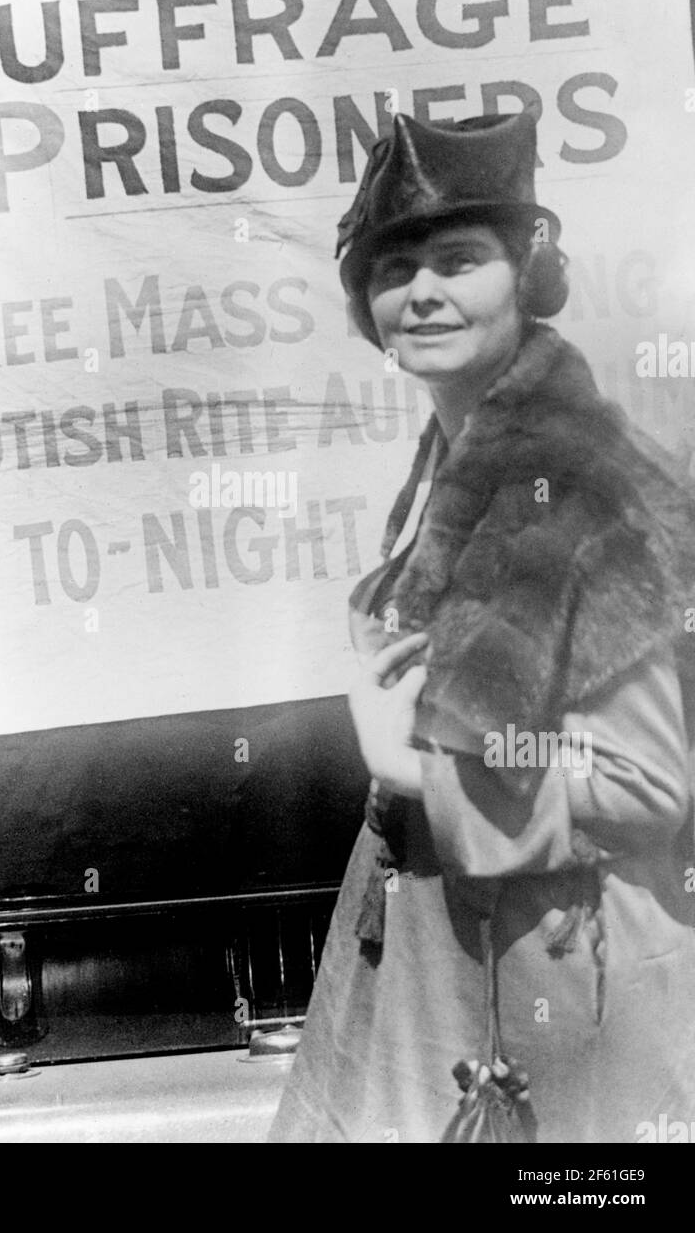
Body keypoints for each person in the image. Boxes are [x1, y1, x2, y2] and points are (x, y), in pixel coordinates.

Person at [268, 111, 695, 1143]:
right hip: (437, 949)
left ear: (525, 275)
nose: (420, 292)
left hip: (547, 981)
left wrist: (418, 772)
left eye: (459, 260)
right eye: (393, 266)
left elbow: (650, 786)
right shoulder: (454, 454)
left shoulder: (584, 487)